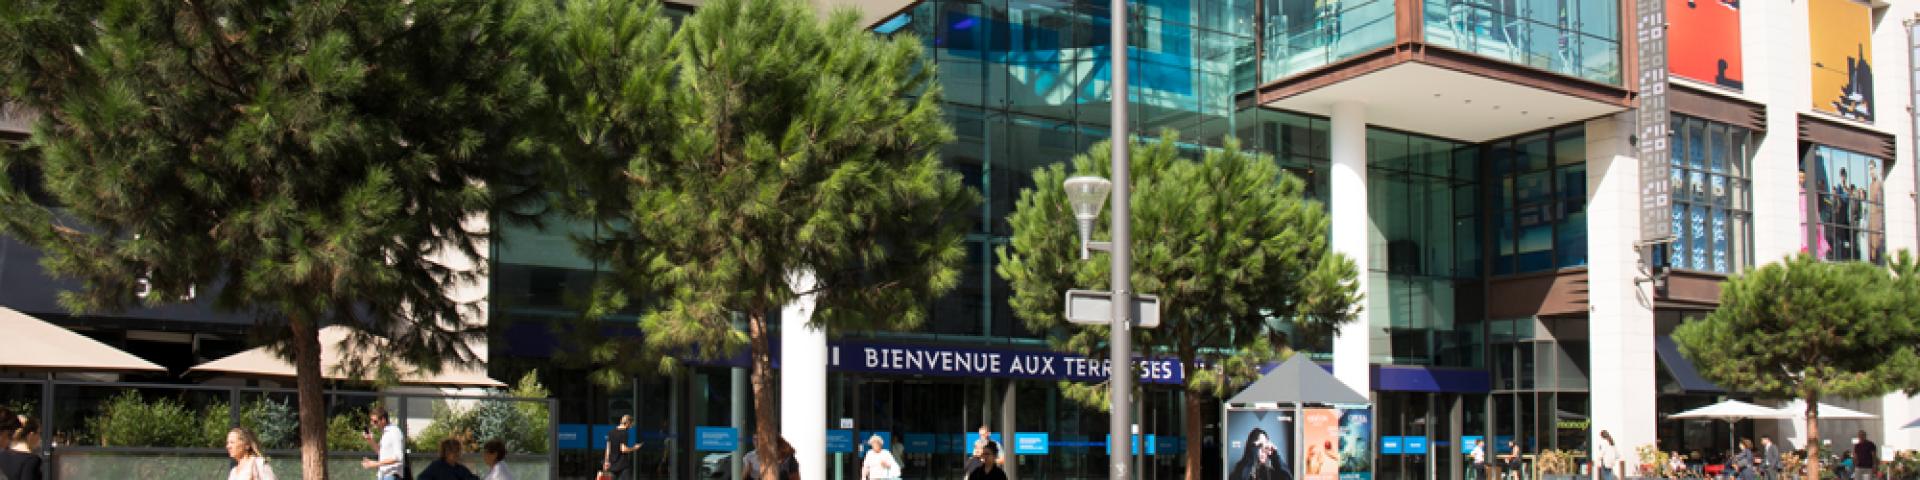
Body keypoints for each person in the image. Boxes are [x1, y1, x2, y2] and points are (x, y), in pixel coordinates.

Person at [360, 405, 405, 480]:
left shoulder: (394, 432)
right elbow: (380, 452)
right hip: (384, 475)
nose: (372, 423)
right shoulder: (385, 433)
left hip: (391, 475)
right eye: (371, 421)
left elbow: (398, 457)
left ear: (383, 420)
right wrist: (370, 440)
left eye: (375, 421)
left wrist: (375, 464)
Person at [0, 411, 42, 480]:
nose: (39, 438)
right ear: (31, 435)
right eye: (39, 433)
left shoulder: (2, 454)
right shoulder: (31, 460)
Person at [603, 415, 639, 480]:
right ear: (627, 423)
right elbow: (623, 449)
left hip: (612, 465)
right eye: (630, 425)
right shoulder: (624, 433)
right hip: (623, 466)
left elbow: (608, 449)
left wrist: (606, 462)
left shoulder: (611, 432)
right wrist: (634, 448)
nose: (630, 427)